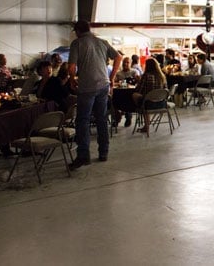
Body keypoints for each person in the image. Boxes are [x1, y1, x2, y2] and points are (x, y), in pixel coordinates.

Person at [68, 20, 121, 169]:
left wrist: (72, 79)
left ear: (77, 31)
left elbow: (71, 66)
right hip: (103, 84)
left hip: (87, 87)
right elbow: (118, 57)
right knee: (101, 119)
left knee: (83, 121)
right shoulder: (102, 42)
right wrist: (112, 78)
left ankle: (83, 156)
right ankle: (103, 152)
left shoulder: (77, 44)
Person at [131, 57, 166, 135]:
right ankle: (146, 124)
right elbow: (166, 90)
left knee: (135, 95)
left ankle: (141, 110)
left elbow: (139, 89)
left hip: (149, 104)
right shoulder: (162, 76)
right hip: (162, 104)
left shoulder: (146, 76)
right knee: (147, 98)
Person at [115, 57, 140, 127]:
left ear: (130, 63)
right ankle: (117, 117)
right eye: (124, 63)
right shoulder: (119, 73)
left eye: (127, 62)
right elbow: (113, 82)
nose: (125, 64)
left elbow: (138, 81)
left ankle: (128, 117)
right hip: (119, 93)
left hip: (130, 94)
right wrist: (118, 83)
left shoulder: (134, 72)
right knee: (113, 99)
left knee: (128, 99)